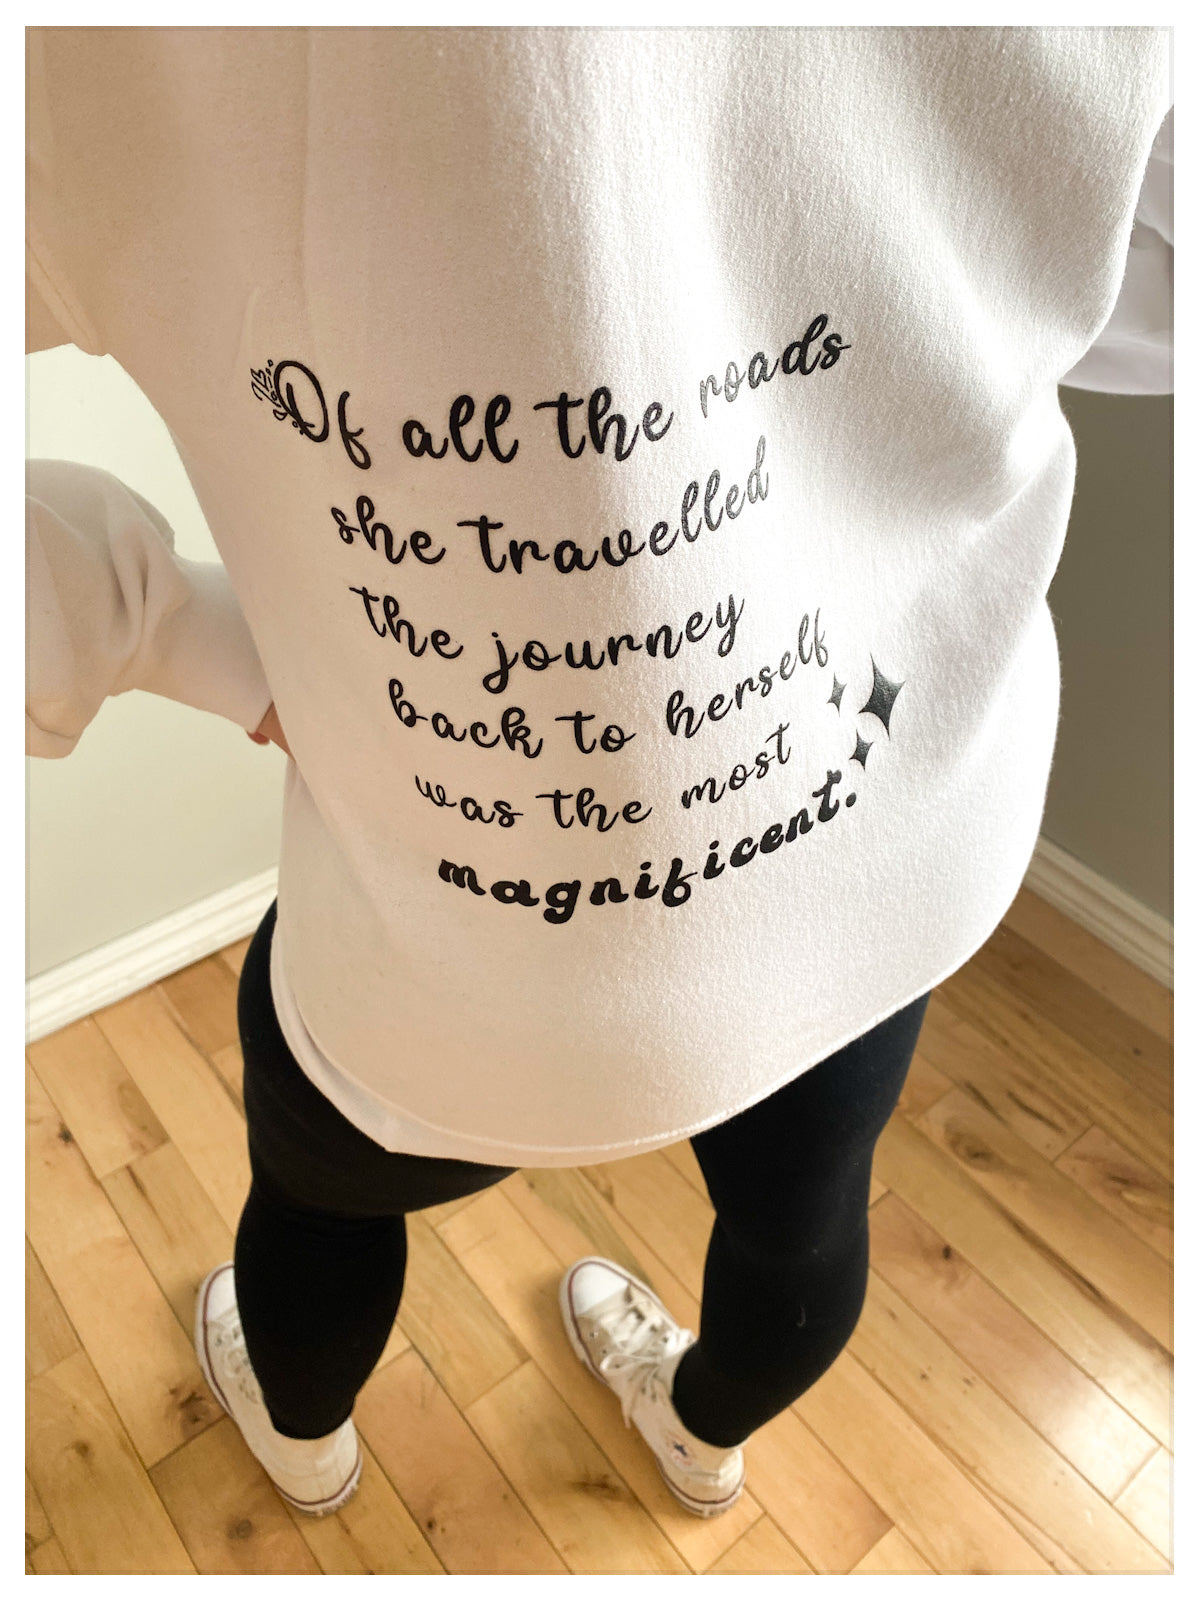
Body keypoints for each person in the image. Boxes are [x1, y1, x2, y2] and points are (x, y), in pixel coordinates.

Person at [27, 27, 1171, 1521]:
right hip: (879, 850)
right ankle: (702, 1444)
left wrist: (156, 623)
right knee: (801, 1220)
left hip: (448, 960)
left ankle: (304, 1447)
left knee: (320, 1208)